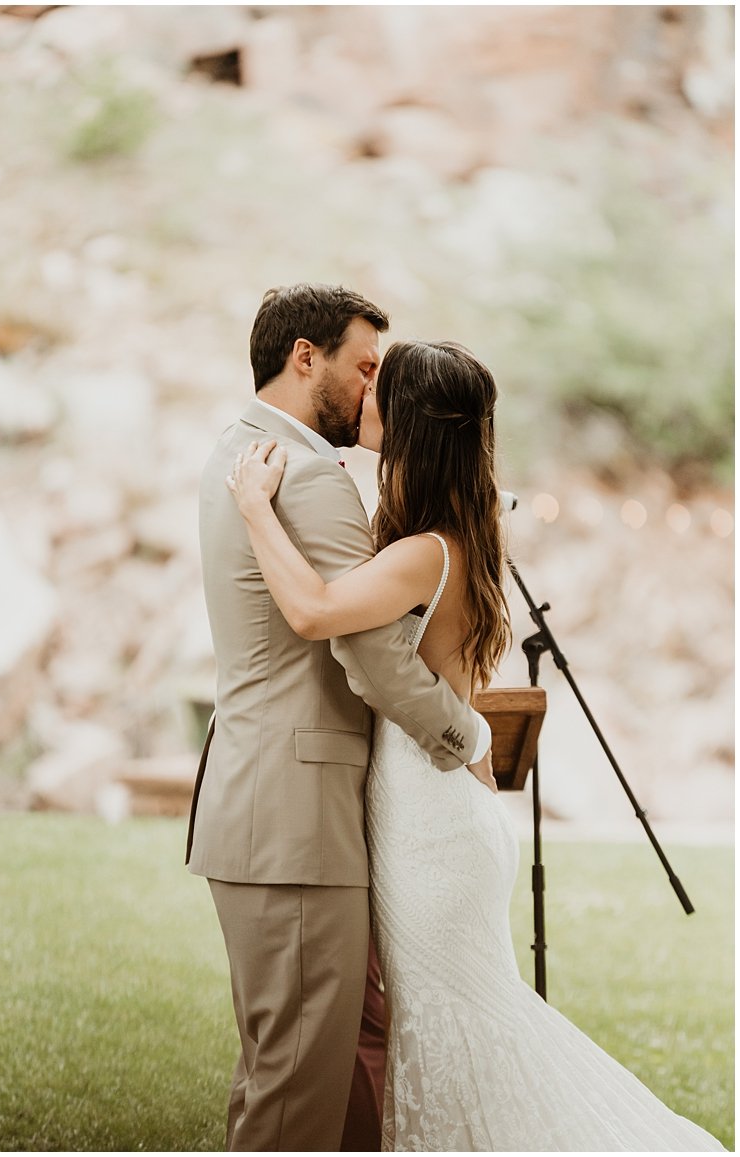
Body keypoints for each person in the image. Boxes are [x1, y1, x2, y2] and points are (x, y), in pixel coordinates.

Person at [227, 340, 724, 1152]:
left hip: (431, 827)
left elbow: (314, 610)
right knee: (462, 1020)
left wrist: (254, 507)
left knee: (457, 1024)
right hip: (448, 809)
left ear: (413, 422)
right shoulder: (464, 527)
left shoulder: (426, 550)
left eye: (378, 389)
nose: (363, 397)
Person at [185, 284, 489, 1152]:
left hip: (264, 798)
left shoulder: (238, 451)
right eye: (364, 367)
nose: (373, 390)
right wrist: (462, 735)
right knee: (295, 1092)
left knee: (308, 1070)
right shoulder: (311, 479)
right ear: (304, 357)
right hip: (297, 815)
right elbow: (372, 654)